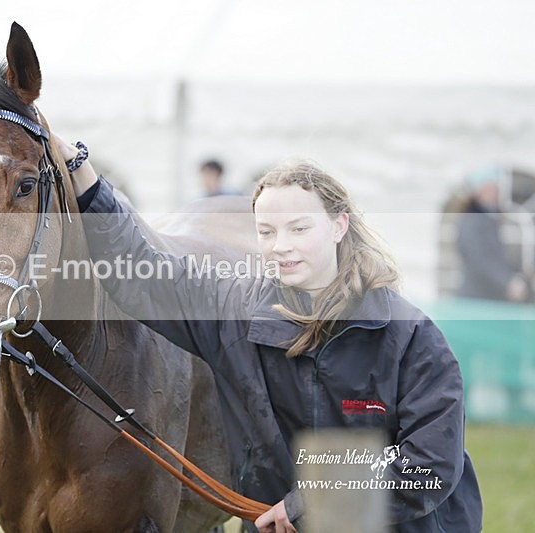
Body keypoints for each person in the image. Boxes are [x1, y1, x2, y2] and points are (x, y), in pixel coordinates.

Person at [56, 137, 482, 532]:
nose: (281, 246)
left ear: (338, 227)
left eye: (299, 228)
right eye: (266, 232)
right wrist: (83, 174)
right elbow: (143, 272)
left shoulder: (412, 339)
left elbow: (429, 467)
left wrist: (306, 504)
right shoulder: (233, 311)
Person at [455, 164, 530, 302]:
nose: (495, 193)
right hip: (475, 301)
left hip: (488, 299)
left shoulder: (488, 219)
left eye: (496, 189)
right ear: (479, 192)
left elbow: (496, 257)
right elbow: (479, 259)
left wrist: (519, 276)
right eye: (490, 189)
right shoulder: (472, 220)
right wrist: (508, 282)